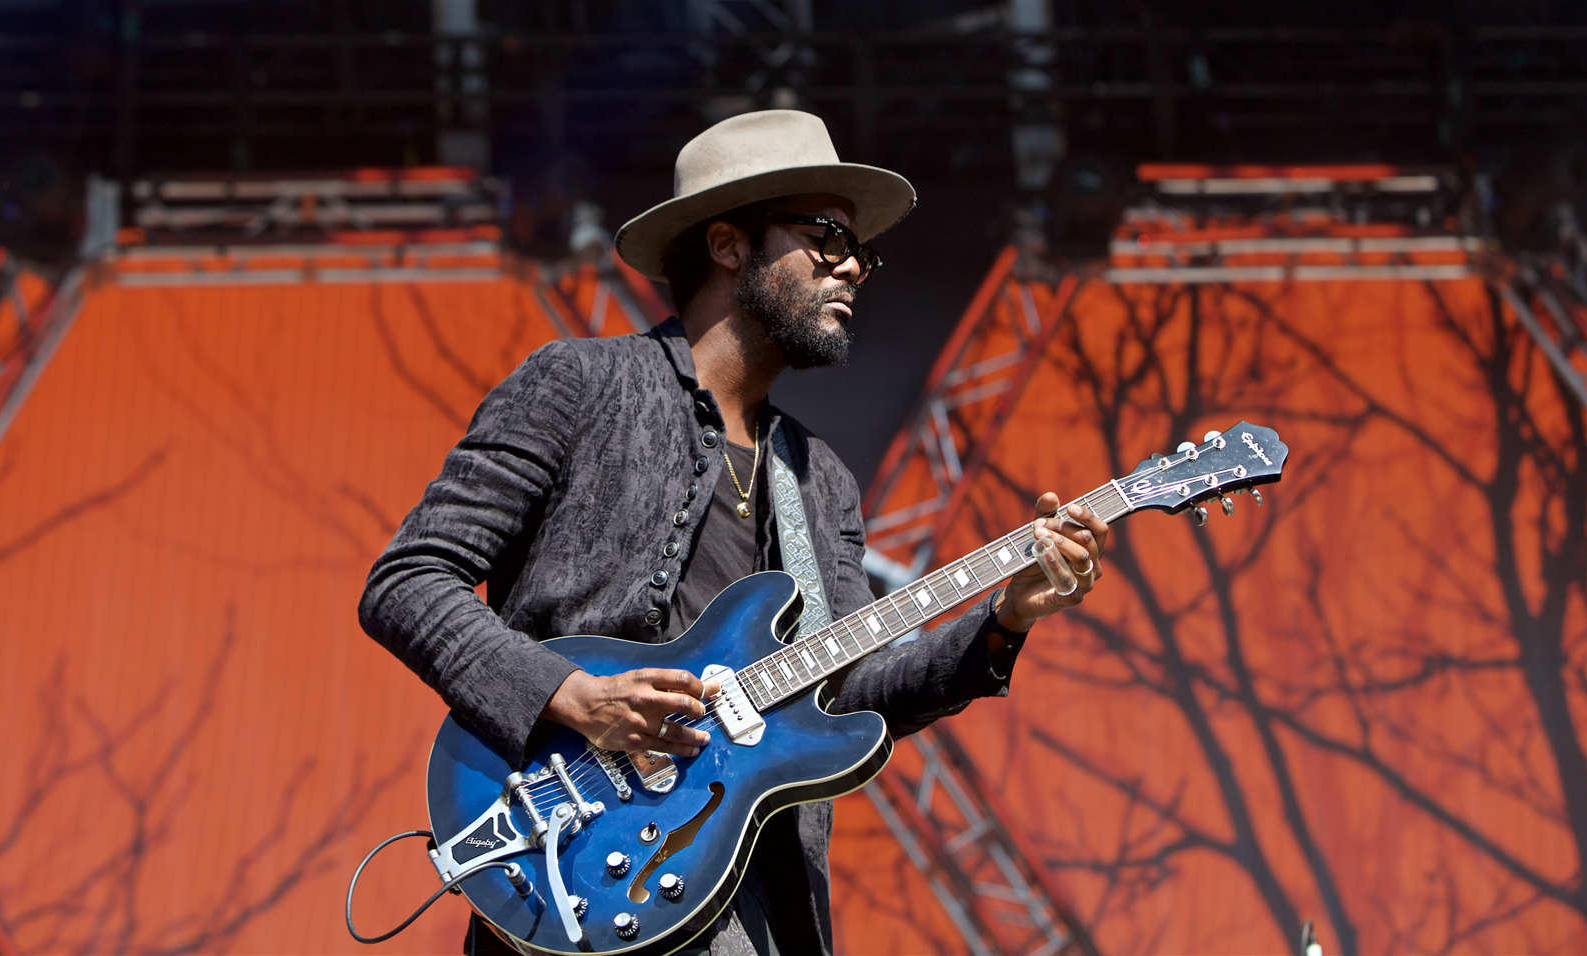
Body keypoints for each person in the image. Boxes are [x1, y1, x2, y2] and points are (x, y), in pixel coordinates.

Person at [359, 109, 1109, 956]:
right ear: (727, 245)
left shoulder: (820, 481)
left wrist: (1006, 619)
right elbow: (407, 581)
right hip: (575, 871)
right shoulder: (580, 384)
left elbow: (851, 698)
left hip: (755, 906)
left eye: (861, 248)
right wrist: (572, 697)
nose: (855, 266)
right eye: (827, 237)